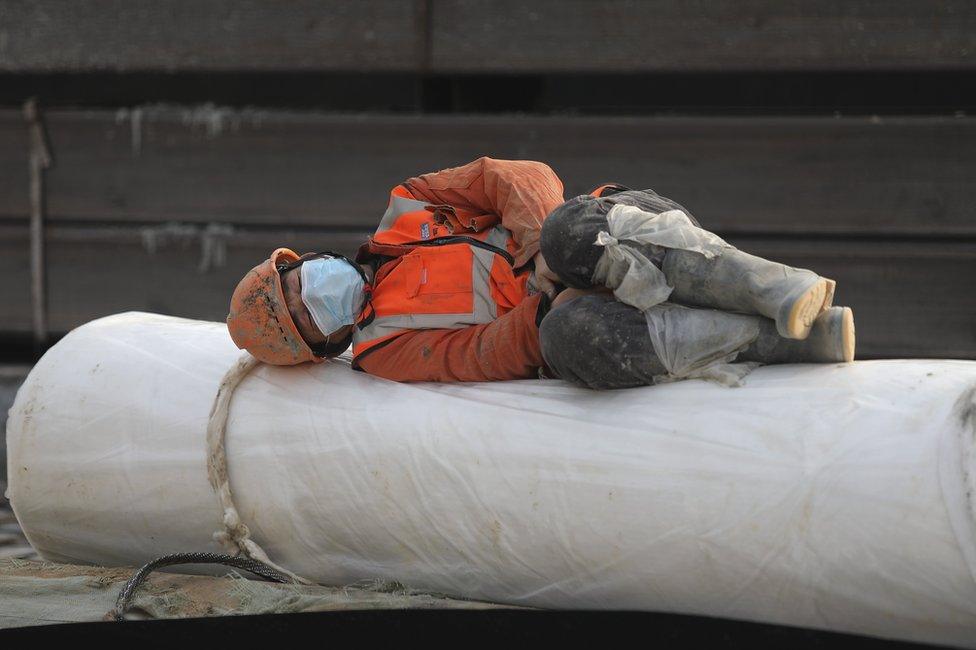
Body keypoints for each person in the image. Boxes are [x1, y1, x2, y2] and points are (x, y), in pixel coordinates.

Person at [227, 157, 854, 389]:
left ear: (309, 260)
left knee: (567, 229)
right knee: (567, 340)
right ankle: (799, 337)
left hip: (615, 232)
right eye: (304, 312)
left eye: (300, 280)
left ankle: (777, 286)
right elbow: (483, 353)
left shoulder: (409, 203)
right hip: (573, 310)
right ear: (321, 345)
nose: (315, 293)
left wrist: (540, 258)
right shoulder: (384, 349)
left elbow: (515, 176)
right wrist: (544, 307)